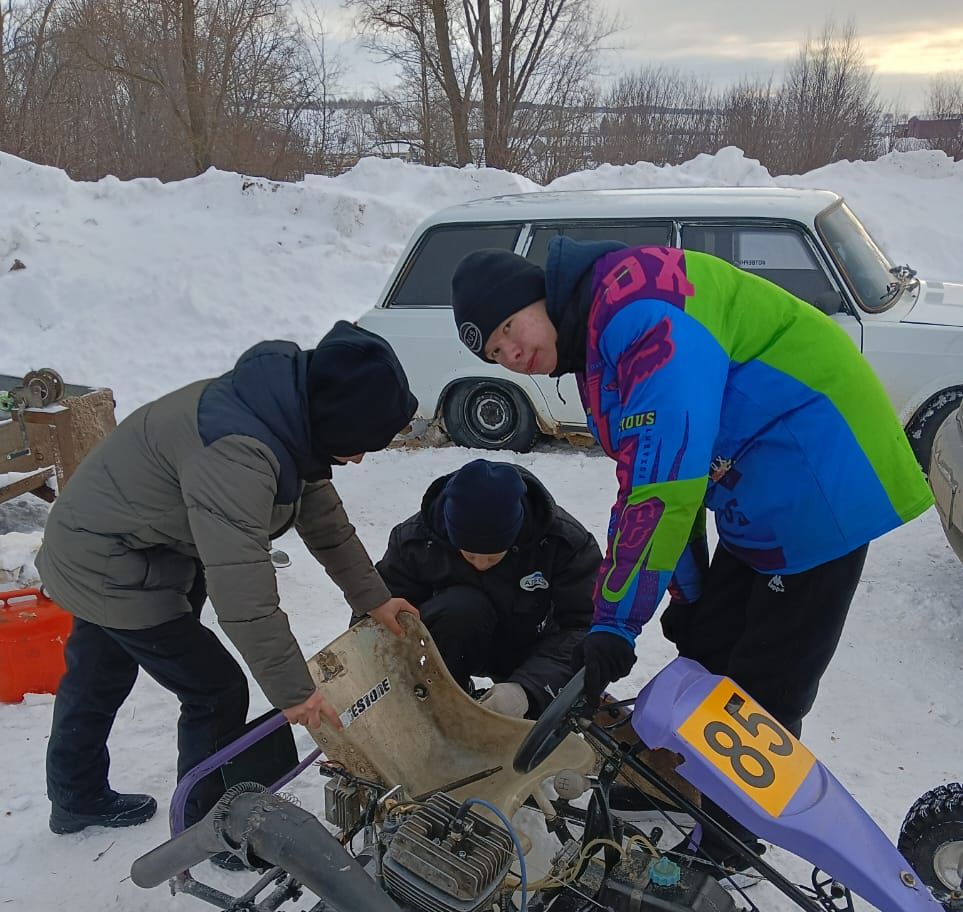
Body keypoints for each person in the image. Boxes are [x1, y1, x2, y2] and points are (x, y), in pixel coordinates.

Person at [450, 239, 934, 858]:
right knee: (708, 642)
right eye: (496, 353)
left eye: (509, 329)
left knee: (765, 680)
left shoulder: (640, 313)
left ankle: (730, 841)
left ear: (536, 296)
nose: (513, 355)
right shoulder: (598, 346)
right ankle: (679, 777)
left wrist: (613, 628)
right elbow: (645, 481)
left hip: (820, 472)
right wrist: (689, 592)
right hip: (756, 485)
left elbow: (665, 483)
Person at [37, 322, 419, 834]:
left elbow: (325, 523)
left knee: (98, 673)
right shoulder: (238, 452)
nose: (358, 458)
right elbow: (245, 593)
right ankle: (205, 830)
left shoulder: (287, 414)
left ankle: (75, 795)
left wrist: (375, 598)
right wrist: (294, 692)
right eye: (358, 443)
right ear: (336, 420)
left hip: (139, 546)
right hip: (109, 561)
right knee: (214, 690)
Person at [372, 459, 601, 717]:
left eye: (493, 557)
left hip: (533, 650)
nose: (481, 564)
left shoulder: (565, 543)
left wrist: (528, 689)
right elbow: (380, 618)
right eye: (469, 556)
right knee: (460, 607)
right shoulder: (415, 540)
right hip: (451, 648)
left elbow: (585, 627)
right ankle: (444, 701)